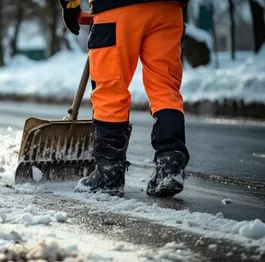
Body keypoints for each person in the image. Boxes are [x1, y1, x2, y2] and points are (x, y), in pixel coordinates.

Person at [59, 0, 190, 198]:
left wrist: (70, 5)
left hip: (117, 9)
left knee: (110, 89)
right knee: (165, 88)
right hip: (169, 10)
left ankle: (109, 173)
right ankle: (170, 164)